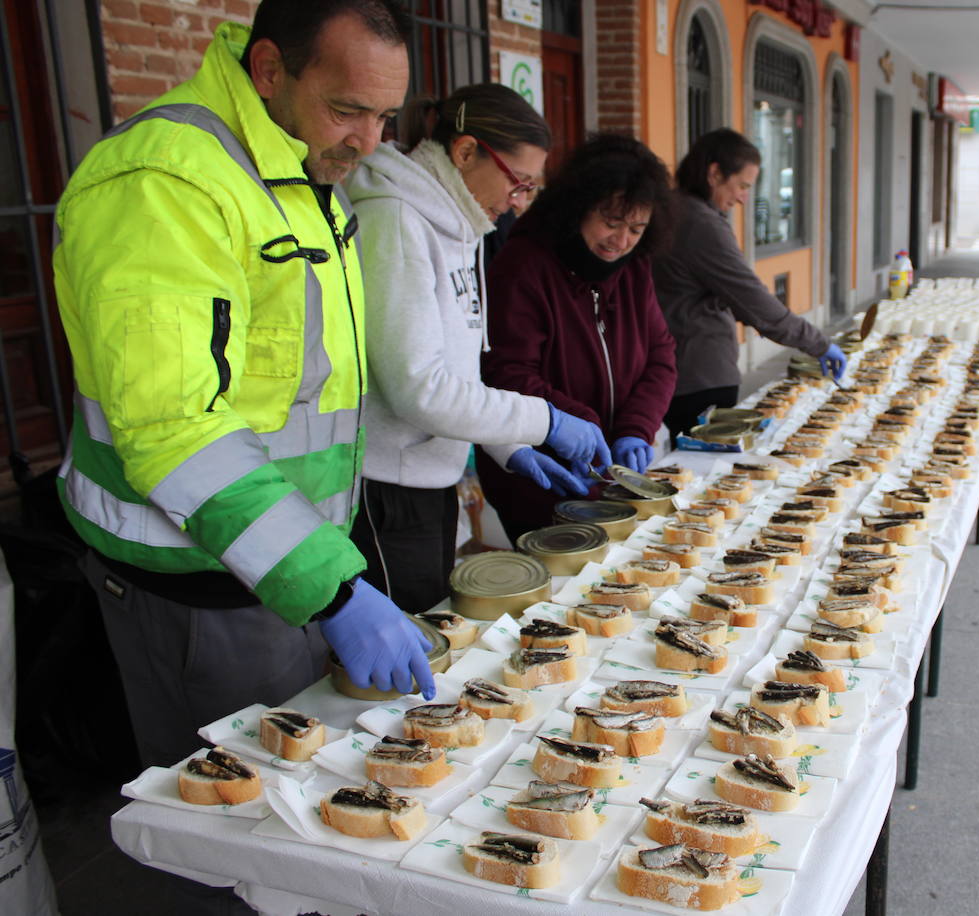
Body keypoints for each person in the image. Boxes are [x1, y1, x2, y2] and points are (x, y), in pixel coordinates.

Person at [52, 0, 437, 773]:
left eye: (386, 118)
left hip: (286, 568)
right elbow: (173, 424)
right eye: (347, 110)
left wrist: (331, 570)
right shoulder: (166, 181)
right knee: (238, 838)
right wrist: (334, 592)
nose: (368, 143)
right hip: (196, 583)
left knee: (305, 808)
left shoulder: (297, 160)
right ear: (269, 70)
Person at [343, 85, 610, 613]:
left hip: (432, 478)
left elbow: (458, 371)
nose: (520, 202)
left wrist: (507, 445)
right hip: (389, 487)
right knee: (417, 644)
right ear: (465, 152)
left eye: (531, 188)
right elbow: (418, 389)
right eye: (519, 183)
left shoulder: (460, 220)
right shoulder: (397, 219)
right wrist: (545, 420)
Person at [479, 134, 678, 541]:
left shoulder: (634, 267)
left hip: (614, 477)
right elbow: (507, 373)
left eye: (637, 229)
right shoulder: (523, 266)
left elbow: (661, 355)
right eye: (611, 222)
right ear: (579, 207)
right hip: (544, 477)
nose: (621, 241)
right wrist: (580, 424)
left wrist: (636, 427)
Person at [653, 129, 847, 440]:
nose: (744, 198)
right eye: (742, 185)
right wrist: (818, 344)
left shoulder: (678, 210)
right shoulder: (700, 224)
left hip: (681, 368)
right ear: (715, 173)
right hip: (699, 375)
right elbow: (754, 301)